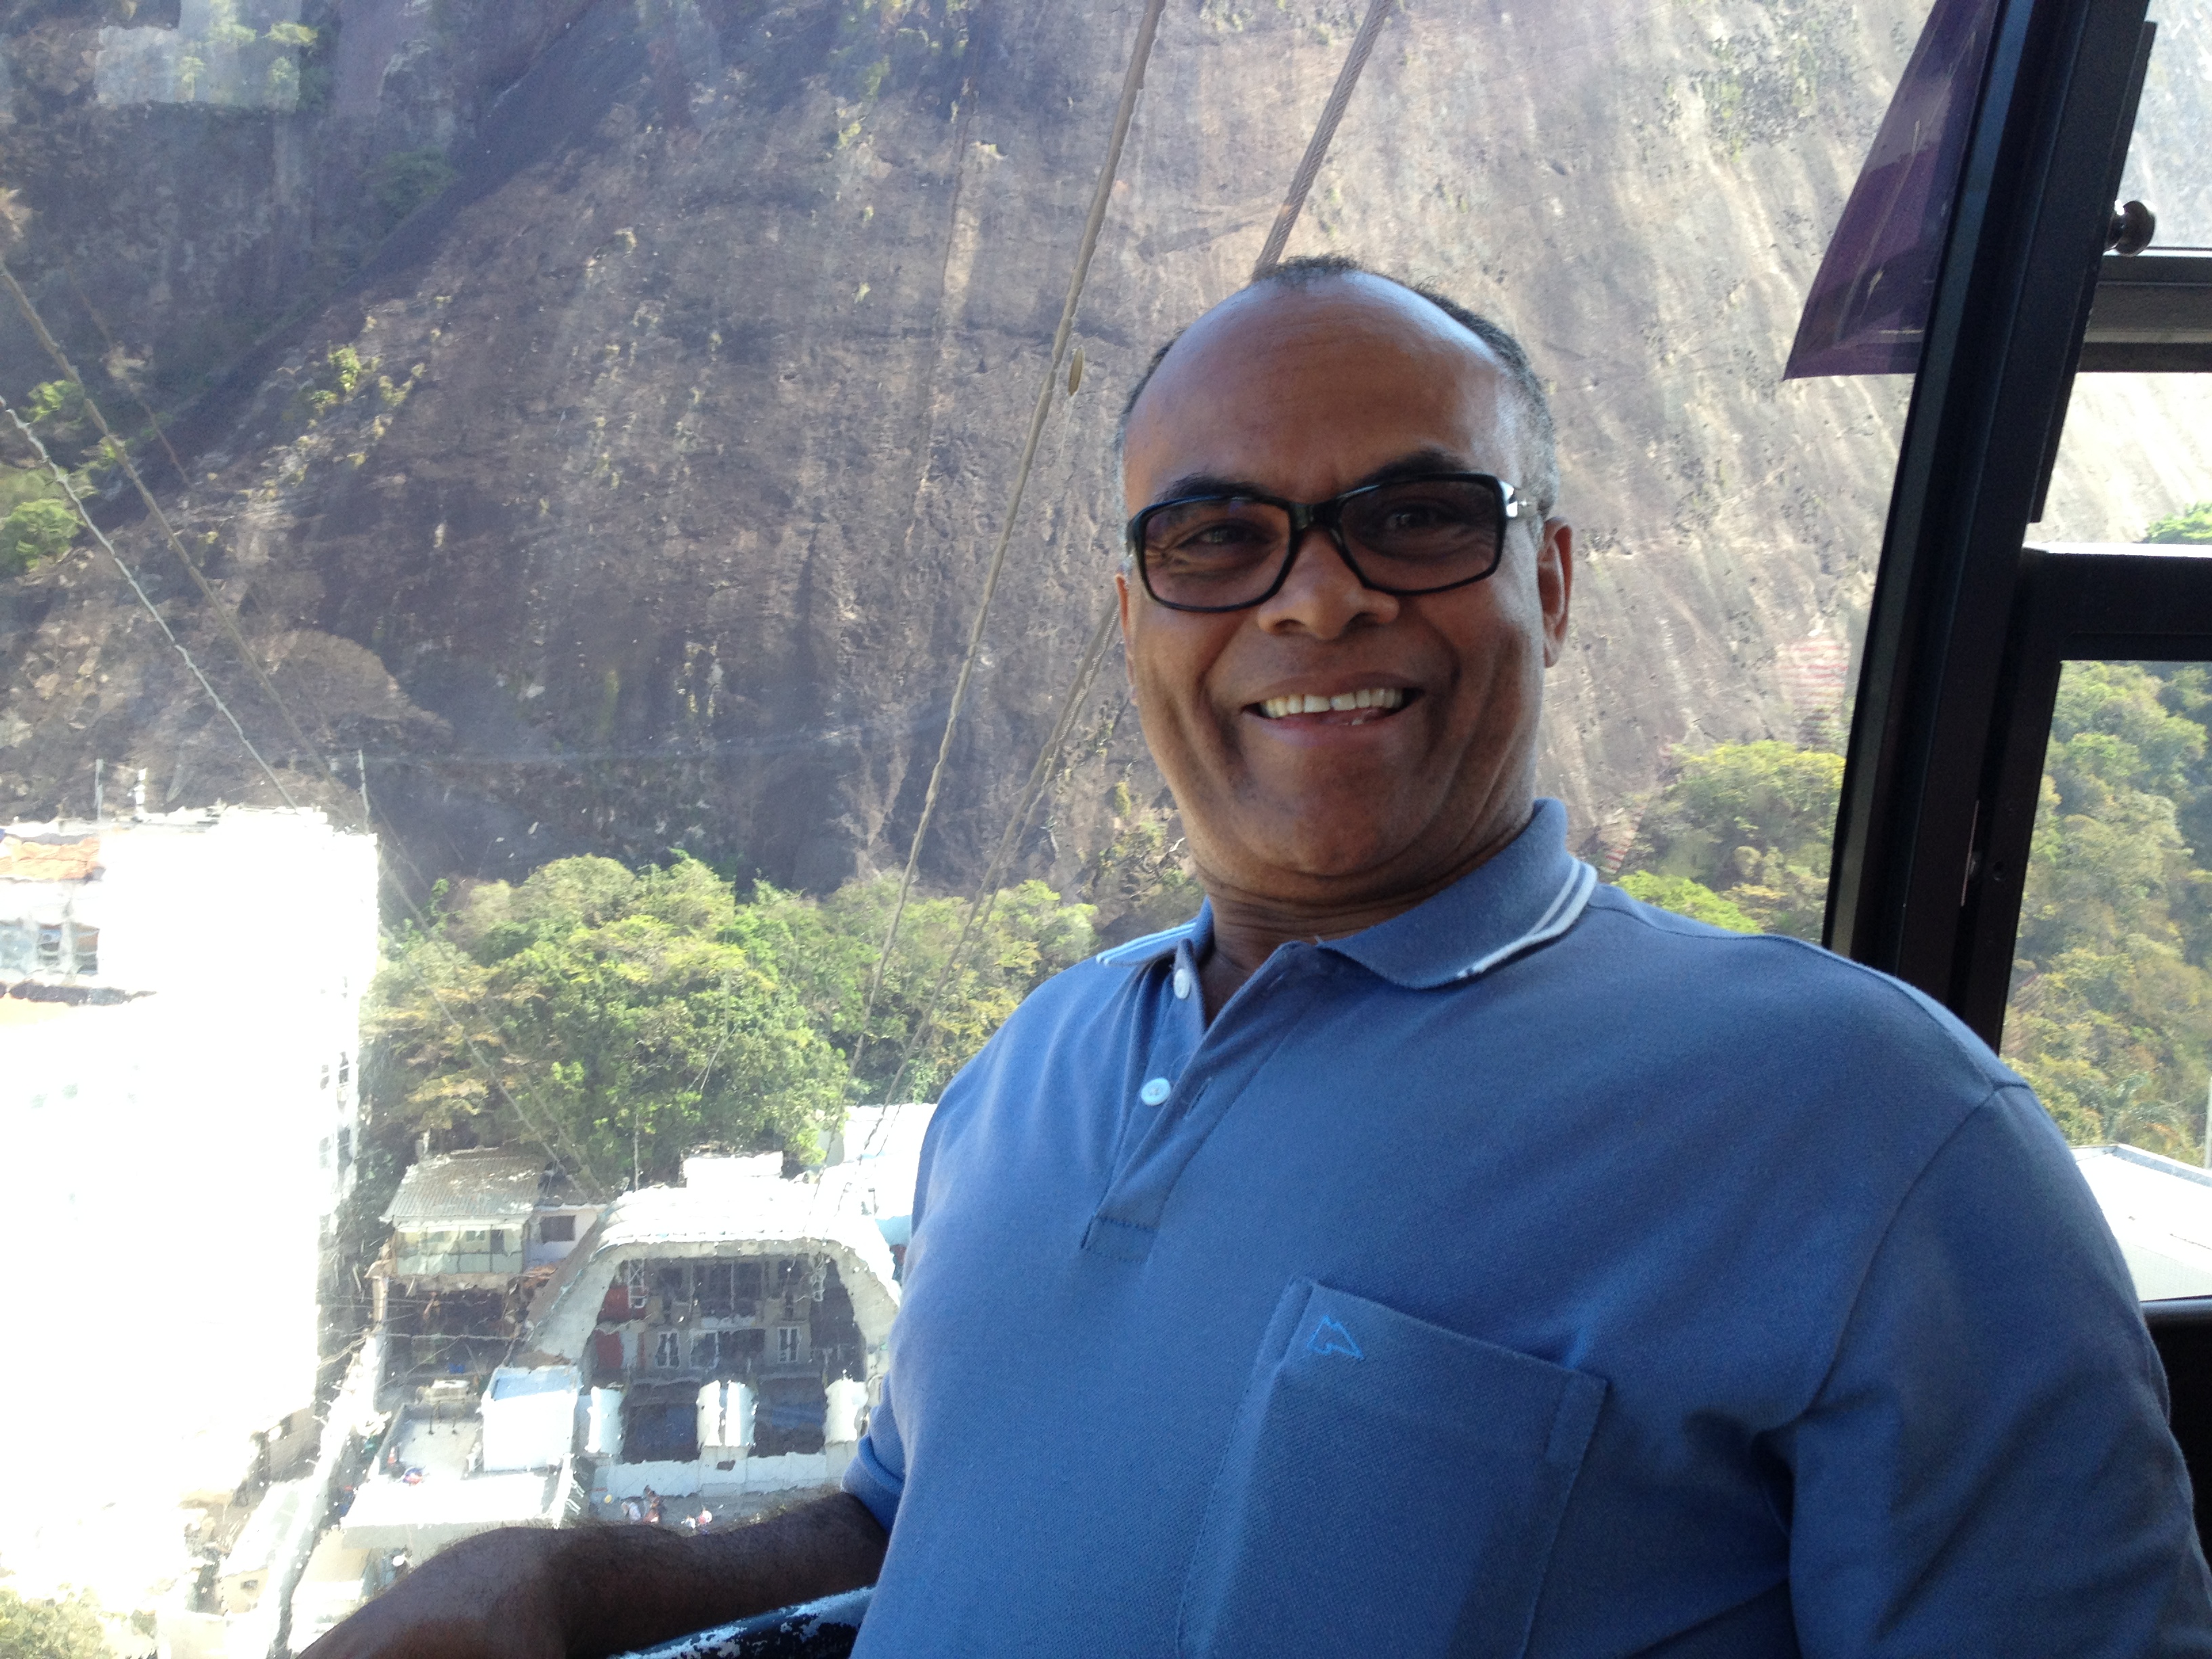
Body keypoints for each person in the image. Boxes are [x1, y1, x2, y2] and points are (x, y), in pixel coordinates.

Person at [306, 258, 2212, 1658]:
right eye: (1220, 537)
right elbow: (908, 1516)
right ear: (1138, 614)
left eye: (1417, 517)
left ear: (1548, 582)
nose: (1317, 595)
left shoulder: (1873, 1133)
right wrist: (568, 1581)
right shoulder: (1027, 1075)